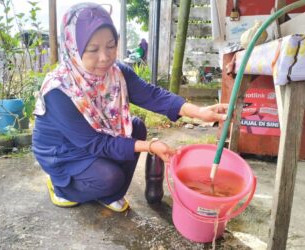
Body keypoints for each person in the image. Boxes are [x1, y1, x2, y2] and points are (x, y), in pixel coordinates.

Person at [32, 2, 228, 212]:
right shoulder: (58, 90)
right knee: (110, 178)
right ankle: (61, 187)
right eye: (92, 49)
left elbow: (153, 95)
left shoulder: (117, 73)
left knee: (136, 127)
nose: (105, 57)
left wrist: (199, 112)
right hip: (64, 151)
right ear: (73, 48)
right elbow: (95, 144)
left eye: (110, 45)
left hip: (95, 137)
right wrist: (150, 146)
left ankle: (109, 194)